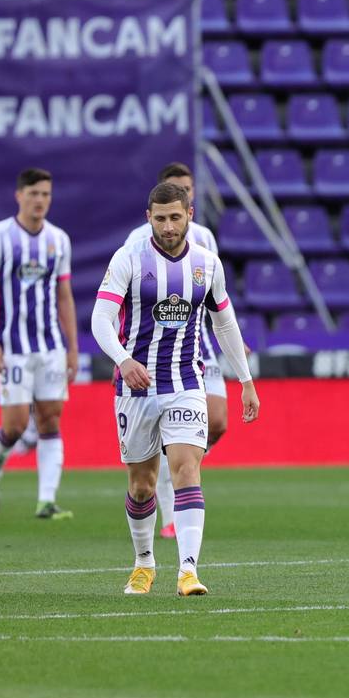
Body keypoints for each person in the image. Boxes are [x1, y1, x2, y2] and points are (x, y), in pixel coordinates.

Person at [91, 181, 260, 596]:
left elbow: (224, 323)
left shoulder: (207, 264)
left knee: (187, 470)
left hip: (186, 382)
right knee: (142, 484)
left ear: (190, 216)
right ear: (149, 217)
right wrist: (123, 360)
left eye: (175, 217)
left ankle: (188, 571)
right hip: (136, 387)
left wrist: (246, 381)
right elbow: (99, 318)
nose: (168, 226)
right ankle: (144, 563)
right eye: (161, 218)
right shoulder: (128, 258)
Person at [124, 163, 230, 540]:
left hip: (197, 345)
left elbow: (215, 300)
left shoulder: (205, 239)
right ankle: (171, 497)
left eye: (186, 188)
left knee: (217, 422)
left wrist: (232, 341)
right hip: (152, 355)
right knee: (145, 476)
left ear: (191, 201)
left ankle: (182, 465)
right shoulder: (137, 242)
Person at [0, 168, 78, 520]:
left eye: (46, 194)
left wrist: (73, 348)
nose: (40, 200)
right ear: (19, 195)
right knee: (16, 426)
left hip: (50, 347)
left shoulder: (59, 239)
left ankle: (46, 501)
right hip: (12, 348)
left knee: (50, 420)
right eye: (34, 193)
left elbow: (64, 296)